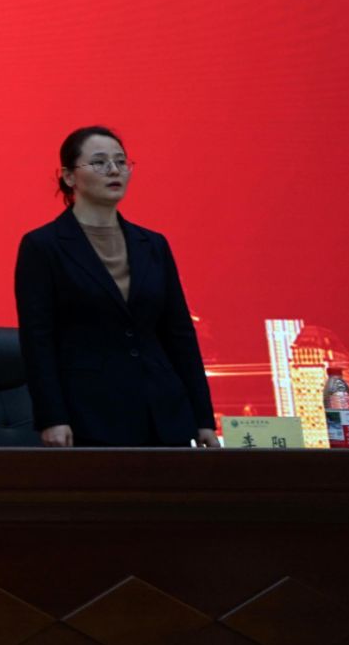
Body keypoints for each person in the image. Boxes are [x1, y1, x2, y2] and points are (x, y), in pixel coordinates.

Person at [15, 126, 217, 448]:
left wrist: (203, 417)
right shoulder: (43, 246)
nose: (114, 170)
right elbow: (38, 340)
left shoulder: (153, 244)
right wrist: (52, 416)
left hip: (164, 412)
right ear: (69, 176)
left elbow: (179, 334)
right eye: (99, 162)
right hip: (90, 415)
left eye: (121, 162)